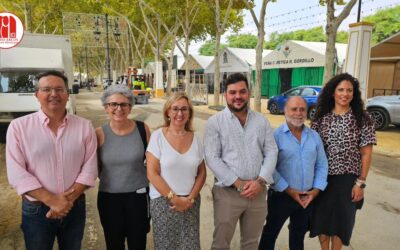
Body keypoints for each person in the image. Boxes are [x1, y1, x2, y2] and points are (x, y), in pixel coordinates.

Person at [6, 70, 98, 250]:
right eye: (46, 89)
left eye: (59, 89)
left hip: (74, 207)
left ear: (68, 94)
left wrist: (66, 201)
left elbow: (90, 167)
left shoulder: (84, 126)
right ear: (36, 95)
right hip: (36, 211)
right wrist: (52, 200)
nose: (54, 94)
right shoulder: (19, 127)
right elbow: (17, 173)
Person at [204, 73, 278, 250]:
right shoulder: (215, 122)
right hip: (227, 193)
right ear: (225, 95)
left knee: (251, 243)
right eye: (233, 92)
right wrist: (239, 183)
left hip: (257, 192)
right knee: (221, 243)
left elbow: (271, 151)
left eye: (242, 91)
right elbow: (212, 157)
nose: (238, 96)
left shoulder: (261, 121)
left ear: (249, 93)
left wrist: (260, 181)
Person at [309, 73, 376, 249]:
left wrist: (360, 184)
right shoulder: (320, 117)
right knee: (321, 223)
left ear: (354, 94)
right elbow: (311, 149)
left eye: (349, 90)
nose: (345, 94)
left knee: (340, 225)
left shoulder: (362, 118)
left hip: (348, 180)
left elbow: (366, 154)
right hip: (322, 179)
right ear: (333, 92)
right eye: (341, 90)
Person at [258, 96, 329, 250]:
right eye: (294, 109)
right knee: (270, 233)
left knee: (298, 235)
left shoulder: (314, 137)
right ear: (285, 110)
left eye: (302, 109)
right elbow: (269, 166)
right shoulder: (275, 136)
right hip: (281, 196)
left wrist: (315, 191)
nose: (298, 113)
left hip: (307, 197)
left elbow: (322, 165)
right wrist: (289, 190)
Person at [146, 92, 206, 250]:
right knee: (166, 246)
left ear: (189, 113)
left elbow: (202, 172)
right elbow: (152, 173)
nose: (180, 113)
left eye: (184, 109)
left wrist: (190, 198)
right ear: (168, 112)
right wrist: (174, 199)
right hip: (163, 203)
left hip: (190, 203)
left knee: (190, 246)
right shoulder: (157, 137)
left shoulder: (196, 139)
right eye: (175, 109)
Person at [96, 85, 151, 250]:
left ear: (130, 107)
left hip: (138, 197)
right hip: (109, 198)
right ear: (106, 108)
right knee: (114, 244)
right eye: (113, 104)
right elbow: (96, 167)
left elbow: (153, 162)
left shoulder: (143, 129)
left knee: (138, 244)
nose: (118, 108)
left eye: (124, 104)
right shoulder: (98, 133)